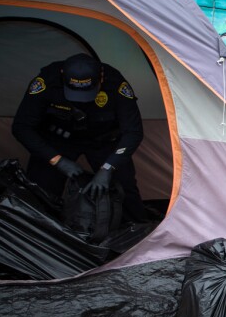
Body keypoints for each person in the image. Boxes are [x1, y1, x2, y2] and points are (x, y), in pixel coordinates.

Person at [12, 53, 146, 223]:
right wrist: (57, 160)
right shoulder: (47, 81)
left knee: (124, 188)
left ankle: (140, 235)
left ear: (101, 77)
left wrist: (107, 168)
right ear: (62, 74)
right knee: (40, 188)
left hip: (103, 141)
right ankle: (39, 235)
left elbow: (133, 132)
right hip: (58, 140)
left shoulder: (116, 83)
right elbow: (22, 127)